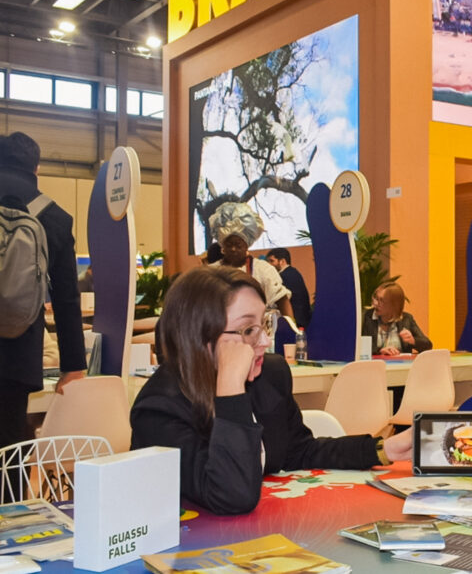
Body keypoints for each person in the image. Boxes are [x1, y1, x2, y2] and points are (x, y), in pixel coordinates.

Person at [129, 265, 412, 515]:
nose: (265, 340)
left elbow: (300, 451)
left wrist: (383, 448)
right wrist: (230, 388)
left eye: (264, 323)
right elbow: (231, 494)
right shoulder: (158, 409)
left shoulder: (270, 375)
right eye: (248, 330)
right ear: (200, 338)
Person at [0, 132, 86, 469]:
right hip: (19, 357)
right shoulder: (55, 217)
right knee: (11, 448)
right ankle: (14, 517)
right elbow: (67, 298)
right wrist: (73, 365)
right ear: (36, 168)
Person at [208, 201, 294, 322]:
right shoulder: (211, 272)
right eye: (229, 245)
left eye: (238, 245)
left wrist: (291, 330)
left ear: (247, 246)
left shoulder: (263, 270)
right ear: (222, 245)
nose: (233, 249)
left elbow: (282, 300)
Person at [362, 282, 431, 355]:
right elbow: (358, 347)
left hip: (401, 365)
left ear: (394, 305)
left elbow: (428, 345)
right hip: (375, 365)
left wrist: (413, 340)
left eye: (381, 300)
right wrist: (379, 351)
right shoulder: (366, 317)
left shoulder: (406, 319)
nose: (375, 303)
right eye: (376, 298)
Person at [266, 248, 312, 328]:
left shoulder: (283, 276)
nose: (269, 265)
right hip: (303, 320)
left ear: (282, 261)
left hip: (296, 322)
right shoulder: (293, 272)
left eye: (272, 261)